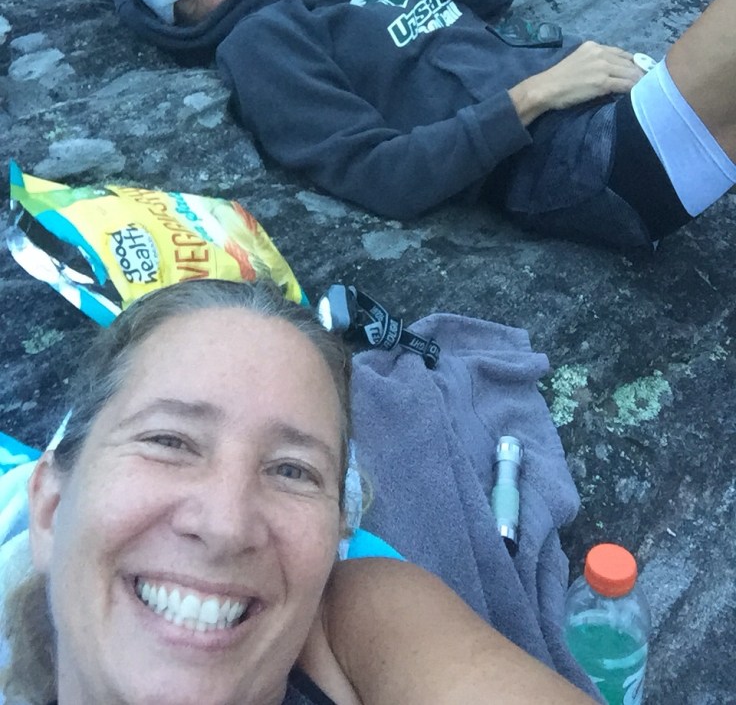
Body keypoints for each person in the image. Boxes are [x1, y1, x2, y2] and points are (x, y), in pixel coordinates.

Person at [1, 279, 596, 705]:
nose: (226, 525)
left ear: (337, 529)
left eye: (292, 471)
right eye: (169, 441)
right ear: (49, 506)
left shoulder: (356, 621)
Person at [114, 0, 736, 249]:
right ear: (182, 24)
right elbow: (380, 173)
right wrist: (535, 94)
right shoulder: (258, 44)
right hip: (575, 165)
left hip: (610, 100)